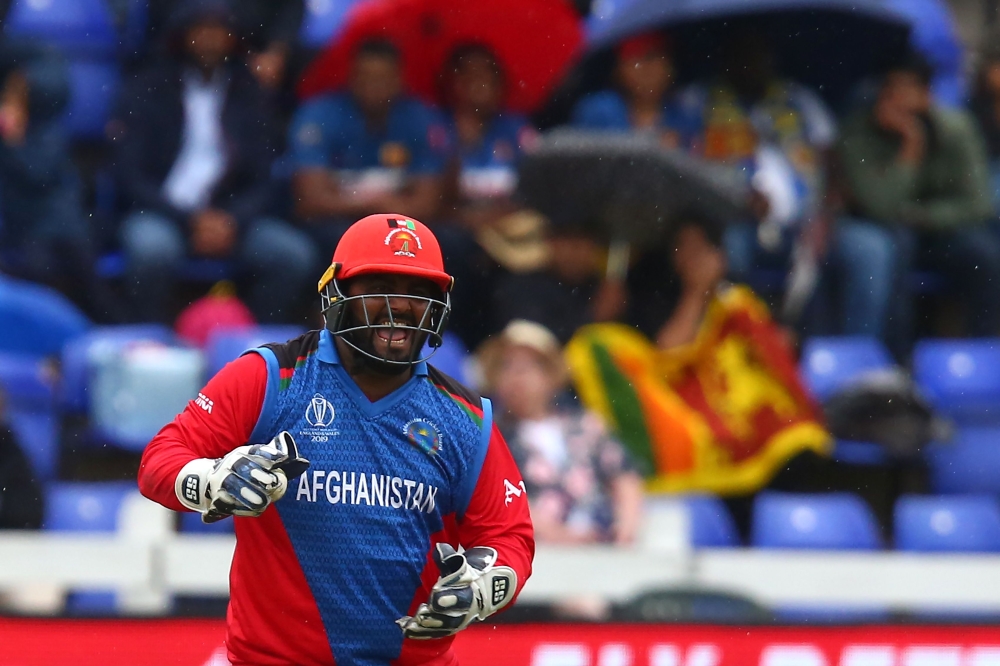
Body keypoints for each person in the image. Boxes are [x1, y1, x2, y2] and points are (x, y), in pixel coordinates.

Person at [138, 213, 534, 665]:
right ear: (337, 295)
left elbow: (509, 536)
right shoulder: (270, 378)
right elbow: (158, 462)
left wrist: (485, 581)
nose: (400, 306)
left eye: (417, 292)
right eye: (380, 285)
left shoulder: (467, 419)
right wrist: (212, 479)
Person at [565, 215, 831, 521]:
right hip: (687, 403)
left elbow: (770, 353)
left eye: (699, 247)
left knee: (792, 435)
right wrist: (696, 292)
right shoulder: (654, 293)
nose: (691, 256)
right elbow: (667, 358)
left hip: (743, 402)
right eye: (683, 247)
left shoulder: (737, 296)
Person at [113, 0, 315, 323]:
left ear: (234, 37)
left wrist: (231, 219)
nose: (209, 38)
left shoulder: (251, 92)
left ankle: (253, 343)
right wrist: (188, 219)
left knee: (291, 255)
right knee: (151, 251)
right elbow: (130, 175)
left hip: (230, 217)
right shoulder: (149, 87)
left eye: (219, 29)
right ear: (183, 33)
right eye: (201, 28)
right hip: (164, 212)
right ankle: (149, 338)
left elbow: (265, 178)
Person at [835, 52, 1000, 353]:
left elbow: (978, 203)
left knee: (984, 254)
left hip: (940, 232)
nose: (900, 99)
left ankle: (984, 354)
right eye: (891, 89)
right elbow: (881, 208)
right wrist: (911, 146)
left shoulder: (956, 129)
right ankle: (895, 359)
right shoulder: (858, 133)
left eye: (909, 89)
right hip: (886, 231)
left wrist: (923, 215)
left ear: (927, 94)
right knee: (892, 248)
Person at [674, 29, 837, 284]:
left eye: (759, 56)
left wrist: (825, 214)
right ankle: (741, 320)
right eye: (743, 56)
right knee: (731, 247)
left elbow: (830, 159)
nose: (751, 64)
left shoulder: (799, 100)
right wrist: (737, 199)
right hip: (732, 216)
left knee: (868, 250)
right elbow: (685, 162)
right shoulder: (698, 100)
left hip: (805, 221)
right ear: (727, 60)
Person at [480, 319, 642, 546]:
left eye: (528, 366)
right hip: (533, 555)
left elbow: (624, 475)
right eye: (507, 366)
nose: (517, 376)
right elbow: (499, 498)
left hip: (602, 548)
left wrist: (625, 529)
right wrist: (561, 536)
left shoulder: (585, 425)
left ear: (550, 376)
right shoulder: (488, 435)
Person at [0, 44, 122, 322]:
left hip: (56, 219)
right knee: (38, 264)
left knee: (80, 253)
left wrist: (13, 142)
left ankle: (108, 325)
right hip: (21, 223)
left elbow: (39, 175)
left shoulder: (49, 129)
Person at [288, 40, 449, 250]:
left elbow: (428, 204)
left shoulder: (421, 119)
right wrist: (372, 206)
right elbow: (310, 201)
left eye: (382, 78)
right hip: (334, 225)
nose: (373, 86)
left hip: (402, 225)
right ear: (351, 77)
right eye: (365, 76)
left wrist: (387, 213)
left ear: (399, 79)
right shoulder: (319, 115)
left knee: (442, 242)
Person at [571, 33, 687, 148]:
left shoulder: (687, 111)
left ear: (670, 67)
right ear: (618, 69)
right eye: (635, 58)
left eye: (652, 57)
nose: (645, 69)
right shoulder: (596, 110)